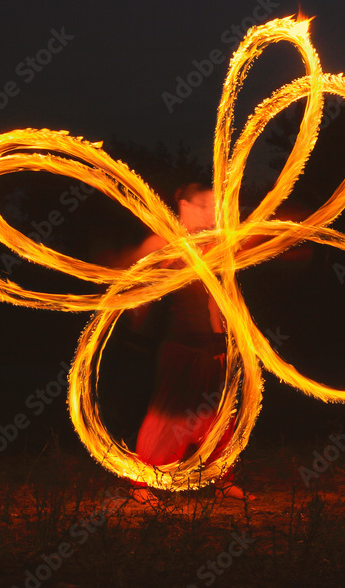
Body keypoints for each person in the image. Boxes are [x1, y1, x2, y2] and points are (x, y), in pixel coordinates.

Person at [124, 183, 249, 504]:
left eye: (213, 207)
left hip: (208, 345)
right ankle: (141, 484)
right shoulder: (165, 243)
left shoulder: (211, 247)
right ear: (184, 205)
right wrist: (143, 295)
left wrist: (220, 343)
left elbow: (214, 300)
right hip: (179, 345)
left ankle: (222, 480)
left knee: (218, 415)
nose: (212, 213)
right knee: (167, 414)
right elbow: (131, 279)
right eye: (205, 206)